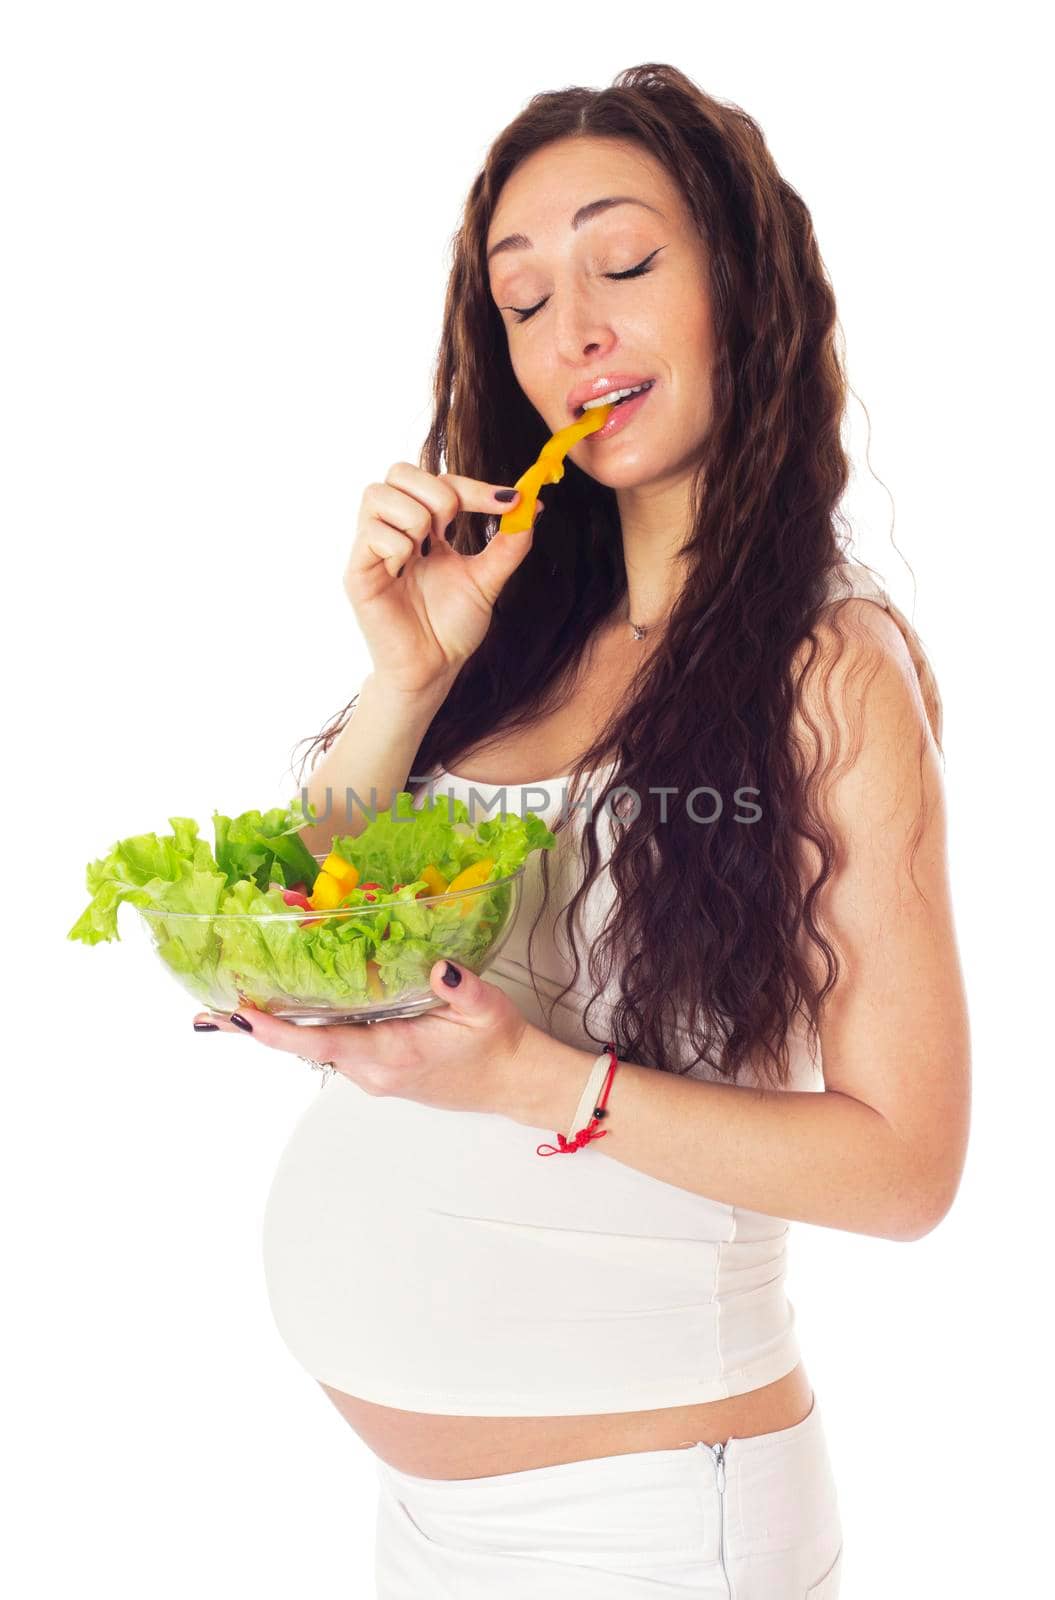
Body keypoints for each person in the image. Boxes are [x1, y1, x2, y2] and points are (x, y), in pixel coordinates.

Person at [195, 63, 970, 1598]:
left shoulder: (829, 669)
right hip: (429, 1527)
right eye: (524, 298)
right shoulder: (510, 639)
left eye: (625, 265)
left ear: (741, 291)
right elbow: (304, 916)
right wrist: (404, 680)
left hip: (651, 1520)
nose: (575, 333)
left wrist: (534, 1078)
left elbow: (908, 1172)